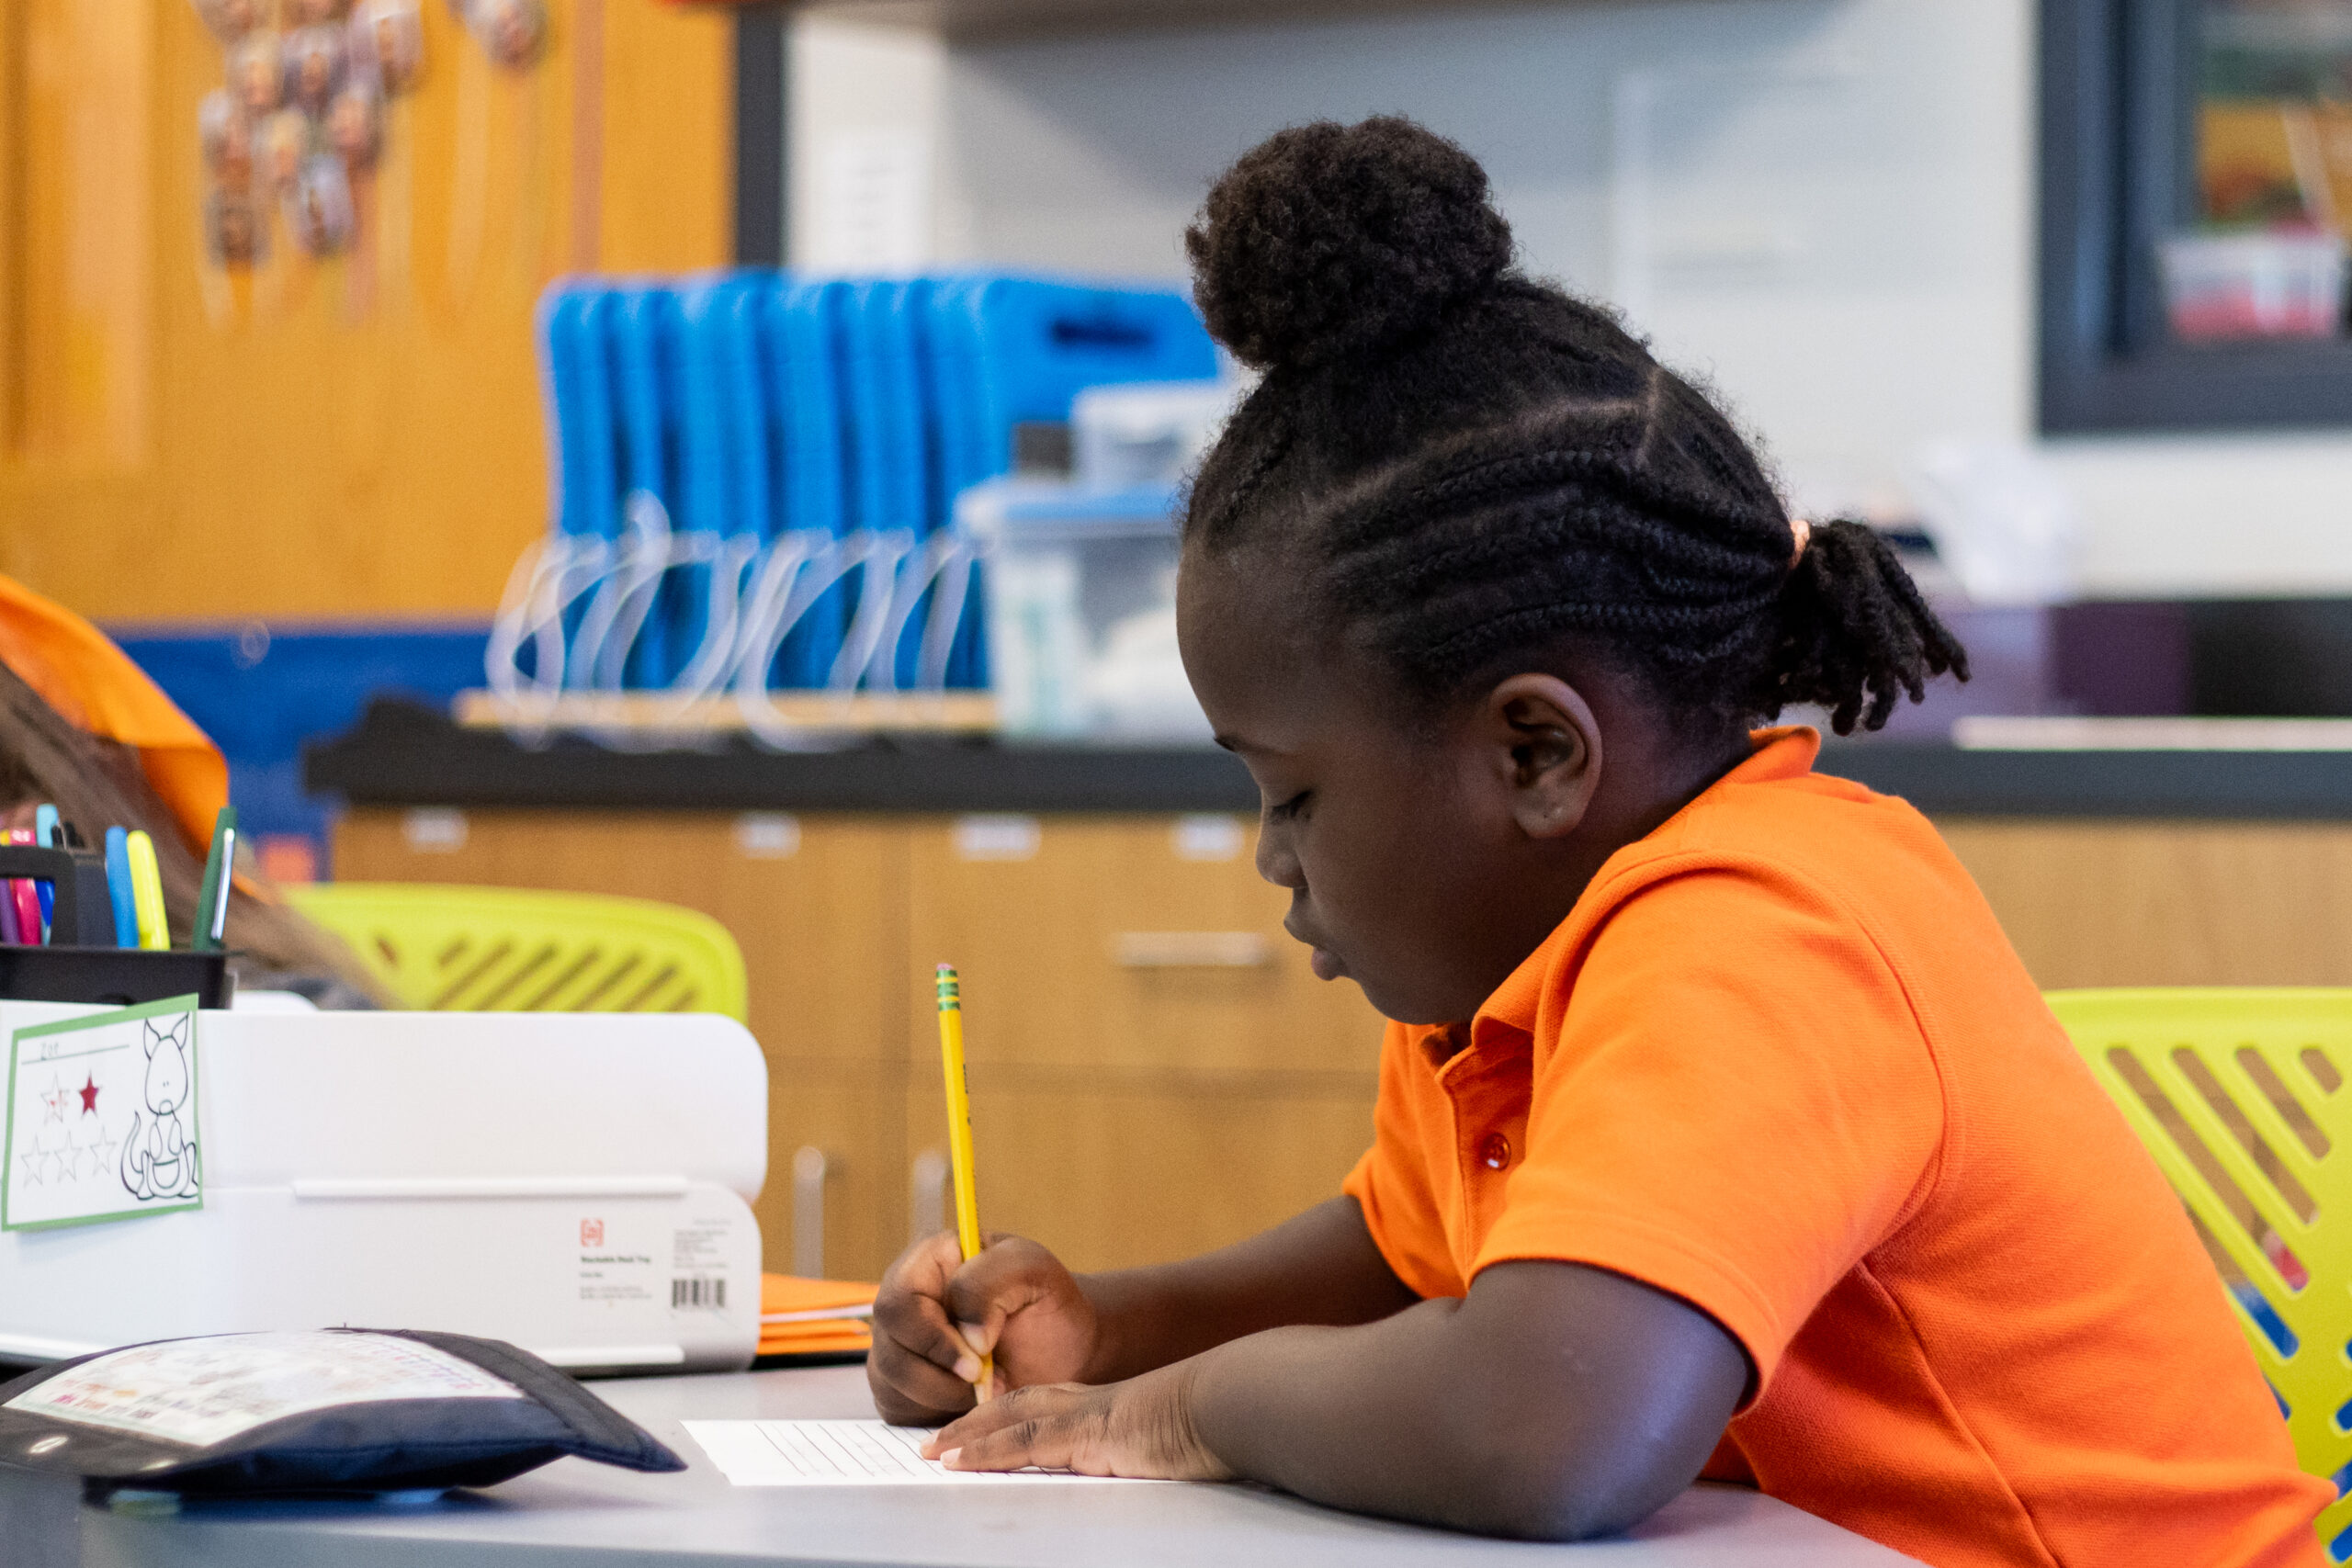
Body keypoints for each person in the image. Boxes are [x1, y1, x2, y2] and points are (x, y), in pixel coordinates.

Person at [867, 118, 2328, 1565]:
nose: (1273, 859)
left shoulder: (1764, 933)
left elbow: (1545, 1429)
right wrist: (1107, 1330)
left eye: (1293, 795)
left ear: (1536, 755)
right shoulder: (1513, 953)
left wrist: (1180, 1410)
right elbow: (1406, 1255)